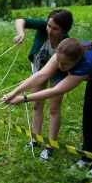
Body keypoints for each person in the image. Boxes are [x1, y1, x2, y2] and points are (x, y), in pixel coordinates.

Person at [2, 38, 92, 178]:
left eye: (65, 64)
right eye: (58, 61)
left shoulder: (86, 65)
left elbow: (56, 90)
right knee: (88, 113)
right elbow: (41, 75)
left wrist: (23, 99)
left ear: (76, 61)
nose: (60, 66)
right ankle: (87, 155)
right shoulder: (63, 53)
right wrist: (14, 92)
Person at [13, 9, 74, 160]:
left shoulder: (66, 43)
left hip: (58, 73)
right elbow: (20, 20)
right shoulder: (43, 27)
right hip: (39, 68)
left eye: (55, 29)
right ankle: (35, 139)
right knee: (36, 105)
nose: (50, 30)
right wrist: (21, 33)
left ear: (64, 30)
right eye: (49, 26)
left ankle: (50, 146)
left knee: (54, 109)